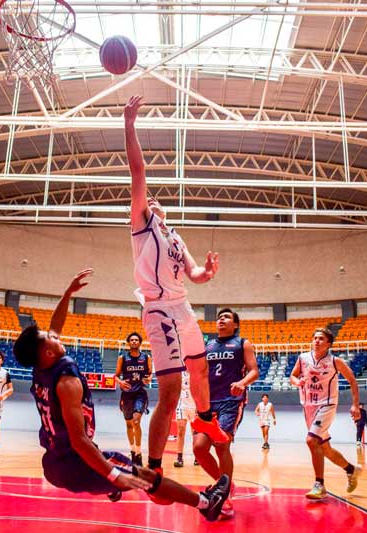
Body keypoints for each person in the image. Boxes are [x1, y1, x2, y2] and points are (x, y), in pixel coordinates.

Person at [12, 269, 230, 522]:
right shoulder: (66, 382)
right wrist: (114, 476)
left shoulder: (41, 370)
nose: (53, 336)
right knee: (149, 478)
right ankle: (207, 503)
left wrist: (68, 294)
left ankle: (114, 487)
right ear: (47, 352)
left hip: (53, 463)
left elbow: (55, 327)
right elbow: (79, 441)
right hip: (76, 465)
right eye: (48, 339)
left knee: (119, 461)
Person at [124, 95, 228, 488]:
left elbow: (194, 273)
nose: (149, 198)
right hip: (157, 309)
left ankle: (205, 420)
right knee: (169, 390)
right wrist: (129, 125)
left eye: (153, 198)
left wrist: (209, 272)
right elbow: (138, 171)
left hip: (182, 305)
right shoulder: (141, 224)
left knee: (198, 367)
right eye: (146, 197)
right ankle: (152, 466)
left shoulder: (174, 236)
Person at [193, 308, 259, 519]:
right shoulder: (208, 346)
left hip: (231, 401)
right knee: (199, 448)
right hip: (207, 403)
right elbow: (200, 374)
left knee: (222, 445)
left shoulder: (242, 343)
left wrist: (242, 383)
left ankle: (224, 497)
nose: (221, 319)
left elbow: (254, 370)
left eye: (227, 317)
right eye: (220, 317)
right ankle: (227, 486)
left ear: (236, 324)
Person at [290, 327, 362, 500]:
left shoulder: (335, 361)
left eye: (321, 338)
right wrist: (297, 382)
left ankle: (319, 485)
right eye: (314, 338)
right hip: (308, 407)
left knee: (311, 440)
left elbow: (352, 380)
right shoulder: (303, 358)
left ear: (328, 343)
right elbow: (292, 376)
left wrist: (355, 405)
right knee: (325, 448)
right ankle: (350, 469)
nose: (316, 341)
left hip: (326, 405)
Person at [115, 332, 152, 466]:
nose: (134, 341)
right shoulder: (122, 358)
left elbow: (149, 374)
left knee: (136, 421)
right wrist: (120, 382)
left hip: (140, 393)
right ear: (129, 343)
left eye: (136, 340)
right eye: (132, 340)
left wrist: (148, 379)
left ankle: (138, 451)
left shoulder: (146, 357)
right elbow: (116, 375)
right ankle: (132, 450)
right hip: (126, 394)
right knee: (129, 424)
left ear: (140, 342)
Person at [173, 370, 196, 468]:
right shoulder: (178, 371)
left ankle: (197, 457)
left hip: (195, 404)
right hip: (182, 404)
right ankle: (179, 457)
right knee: (180, 430)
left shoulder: (197, 370)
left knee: (195, 432)